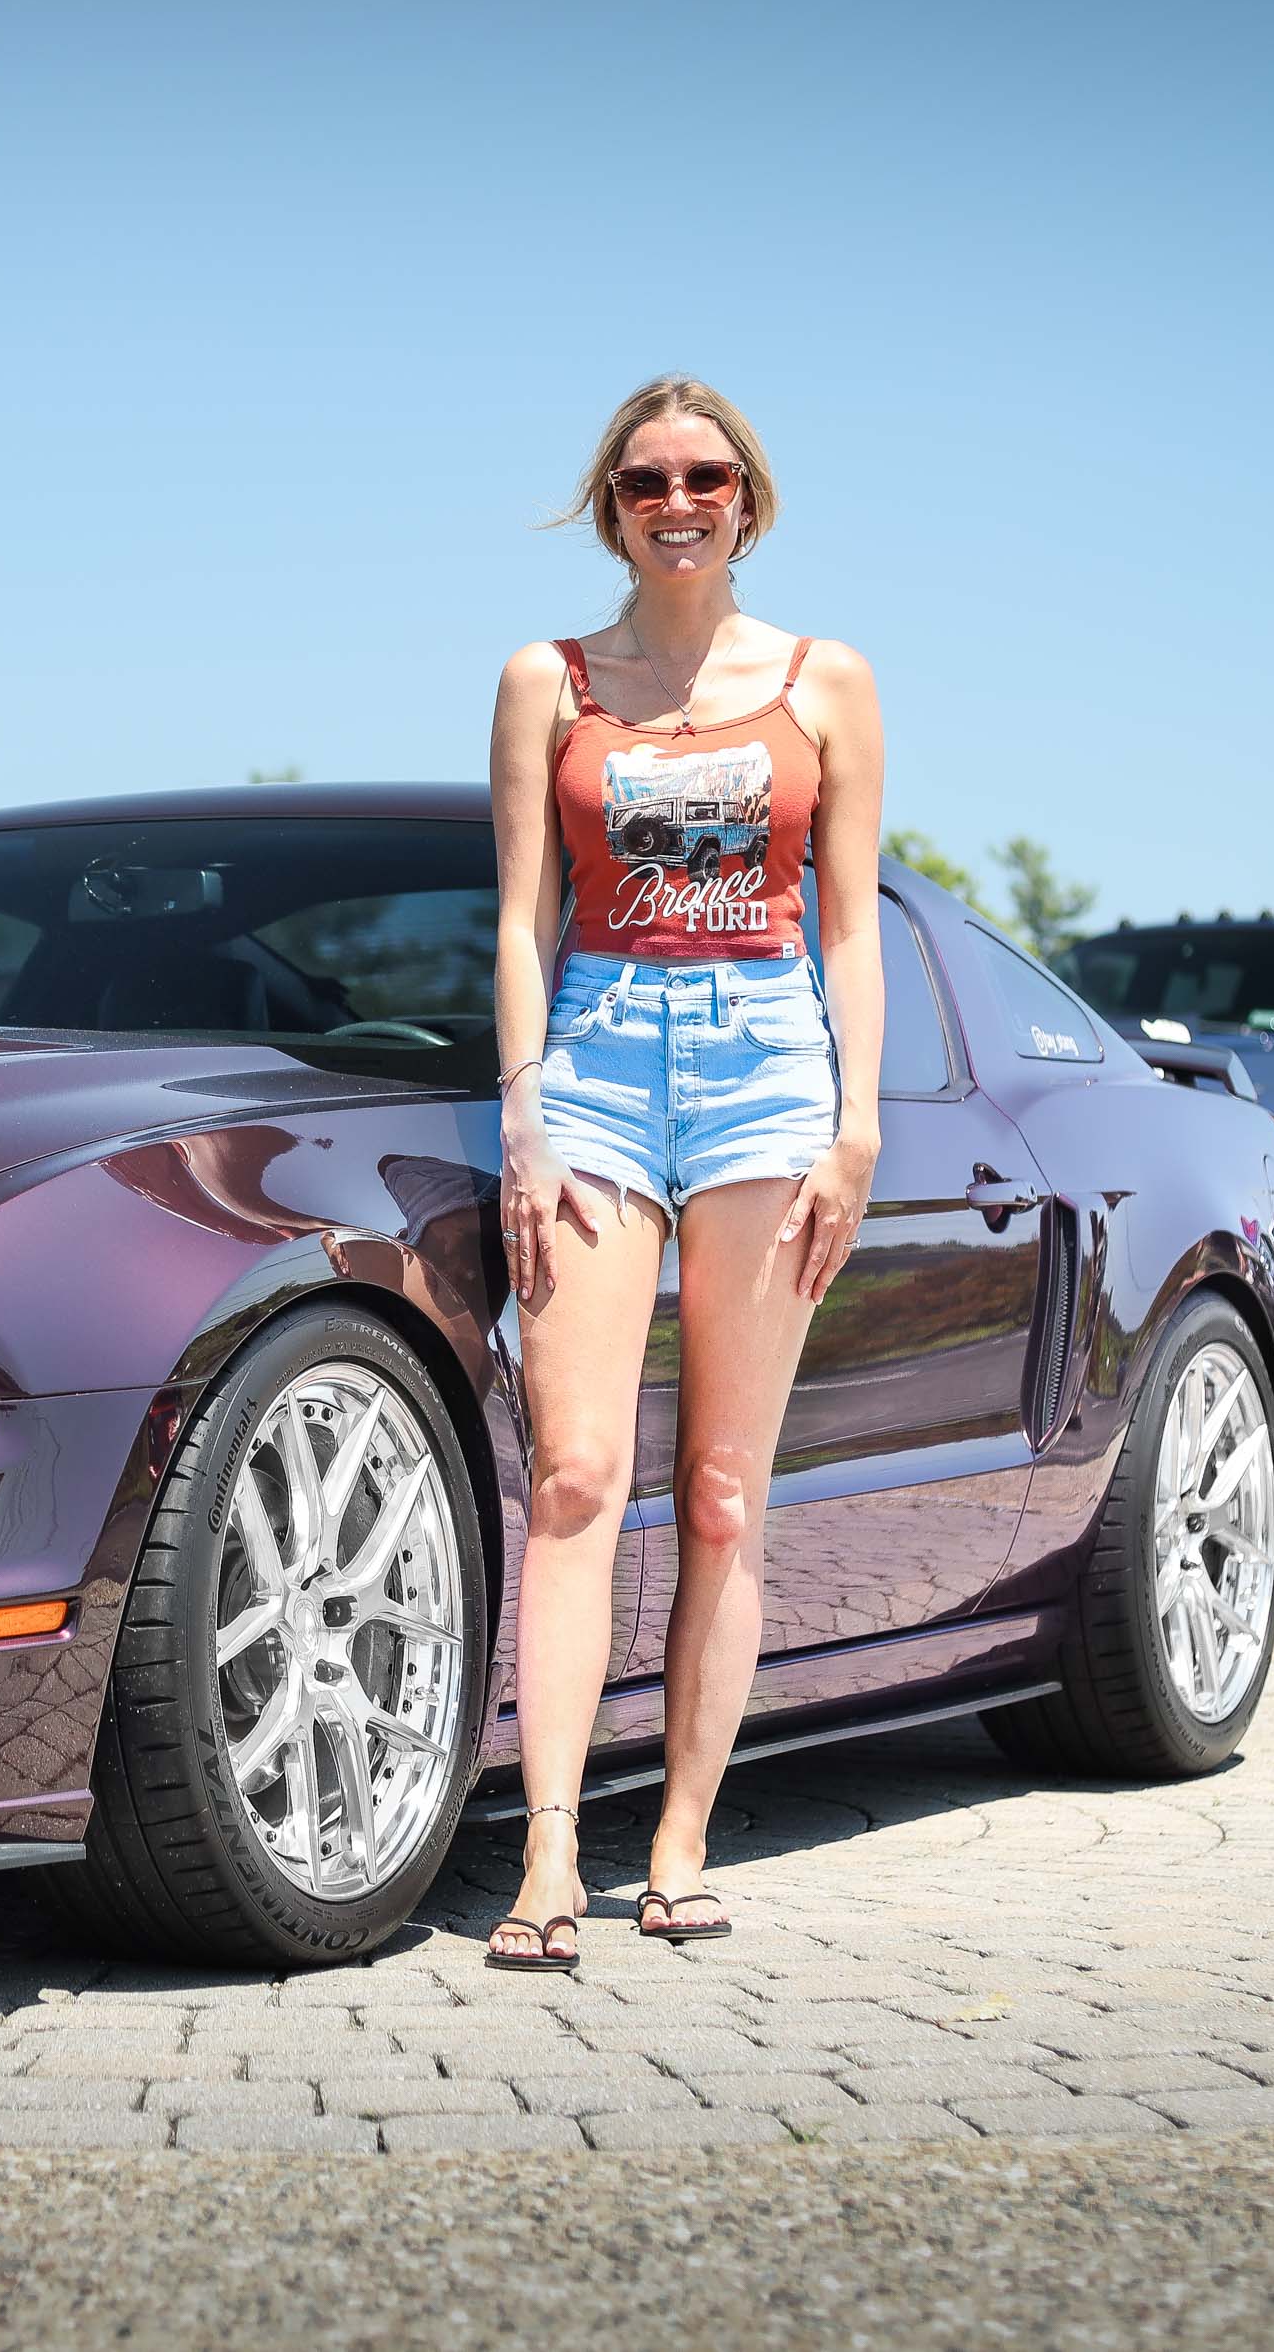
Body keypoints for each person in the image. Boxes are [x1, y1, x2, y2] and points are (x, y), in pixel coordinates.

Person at [479, 376, 885, 1971]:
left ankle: (680, 1840)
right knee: (577, 1476)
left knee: (722, 1491)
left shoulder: (822, 680)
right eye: (645, 480)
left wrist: (854, 1126)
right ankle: (548, 1851)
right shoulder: (549, 680)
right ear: (612, 507)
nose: (676, 501)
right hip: (592, 1060)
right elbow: (523, 916)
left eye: (704, 477)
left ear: (746, 501)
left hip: (766, 1067)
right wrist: (520, 1116)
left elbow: (847, 926)